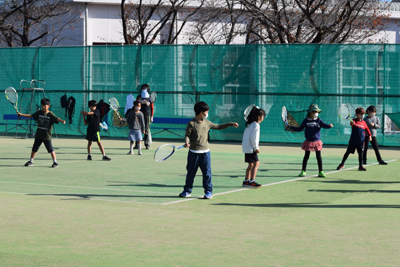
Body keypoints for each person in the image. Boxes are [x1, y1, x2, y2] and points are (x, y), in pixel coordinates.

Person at [179, 101, 239, 199]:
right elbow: (187, 135)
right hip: (193, 153)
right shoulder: (191, 123)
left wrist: (230, 124)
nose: (207, 113)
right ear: (201, 112)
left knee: (207, 173)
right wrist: (187, 142)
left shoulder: (207, 122)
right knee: (191, 173)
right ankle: (187, 190)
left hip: (205, 153)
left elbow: (218, 126)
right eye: (206, 111)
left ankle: (208, 192)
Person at [17, 98, 66, 168]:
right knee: (34, 148)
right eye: (42, 105)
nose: (43, 107)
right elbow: (31, 116)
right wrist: (21, 114)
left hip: (47, 136)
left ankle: (55, 162)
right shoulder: (39, 112)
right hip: (38, 135)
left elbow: (56, 118)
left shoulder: (50, 114)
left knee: (51, 149)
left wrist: (61, 121)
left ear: (48, 106)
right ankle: (31, 161)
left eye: (45, 105)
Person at [288, 104, 333, 177]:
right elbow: (300, 128)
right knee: (306, 156)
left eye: (317, 112)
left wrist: (329, 126)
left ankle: (321, 172)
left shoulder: (319, 121)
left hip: (317, 141)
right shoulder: (306, 121)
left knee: (318, 157)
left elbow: (325, 125)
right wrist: (290, 127)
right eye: (314, 111)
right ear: (310, 112)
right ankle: (303, 171)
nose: (316, 113)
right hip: (308, 141)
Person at [242, 106, 266, 188]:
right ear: (259, 117)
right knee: (257, 164)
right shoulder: (256, 125)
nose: (263, 118)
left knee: (251, 165)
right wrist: (256, 147)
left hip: (246, 148)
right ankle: (252, 181)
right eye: (263, 117)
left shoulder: (249, 125)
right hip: (251, 148)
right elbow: (254, 137)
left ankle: (246, 181)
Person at [136, 84, 154, 149]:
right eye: (142, 88)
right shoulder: (138, 96)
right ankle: (137, 144)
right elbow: (136, 103)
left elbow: (152, 107)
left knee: (146, 130)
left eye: (145, 88)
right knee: (137, 129)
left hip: (147, 115)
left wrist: (151, 116)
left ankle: (147, 144)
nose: (143, 90)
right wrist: (141, 102)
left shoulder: (150, 97)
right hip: (139, 114)